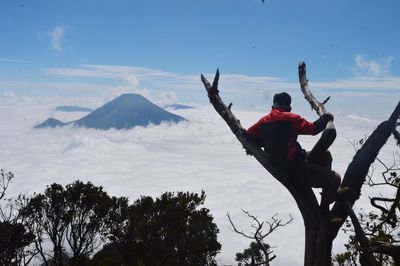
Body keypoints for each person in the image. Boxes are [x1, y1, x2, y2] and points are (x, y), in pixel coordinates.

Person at [246, 92, 346, 208]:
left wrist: (260, 143)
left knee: (326, 155)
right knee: (335, 179)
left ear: (273, 105)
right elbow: (313, 129)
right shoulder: (291, 118)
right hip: (293, 168)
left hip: (278, 165)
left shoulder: (263, 121)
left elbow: (249, 134)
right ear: (289, 106)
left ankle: (327, 194)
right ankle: (325, 206)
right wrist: (326, 118)